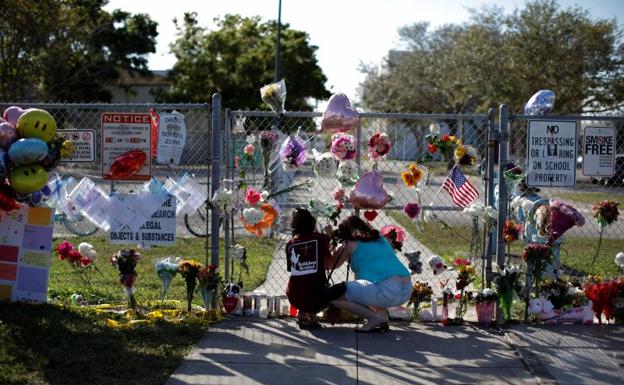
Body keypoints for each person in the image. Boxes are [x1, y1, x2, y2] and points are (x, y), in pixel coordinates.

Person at [327, 215, 412, 333]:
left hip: (386, 290)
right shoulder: (380, 239)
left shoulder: (349, 244)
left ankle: (373, 318)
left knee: (334, 295)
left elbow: (331, 265)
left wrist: (329, 243)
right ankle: (382, 319)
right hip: (406, 290)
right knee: (370, 287)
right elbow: (364, 258)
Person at [285, 208, 344, 329]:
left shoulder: (290, 244)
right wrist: (329, 234)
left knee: (303, 283)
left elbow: (292, 269)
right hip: (316, 296)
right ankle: (312, 315)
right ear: (311, 222)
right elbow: (328, 260)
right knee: (340, 288)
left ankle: (301, 313)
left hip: (294, 295)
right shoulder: (320, 238)